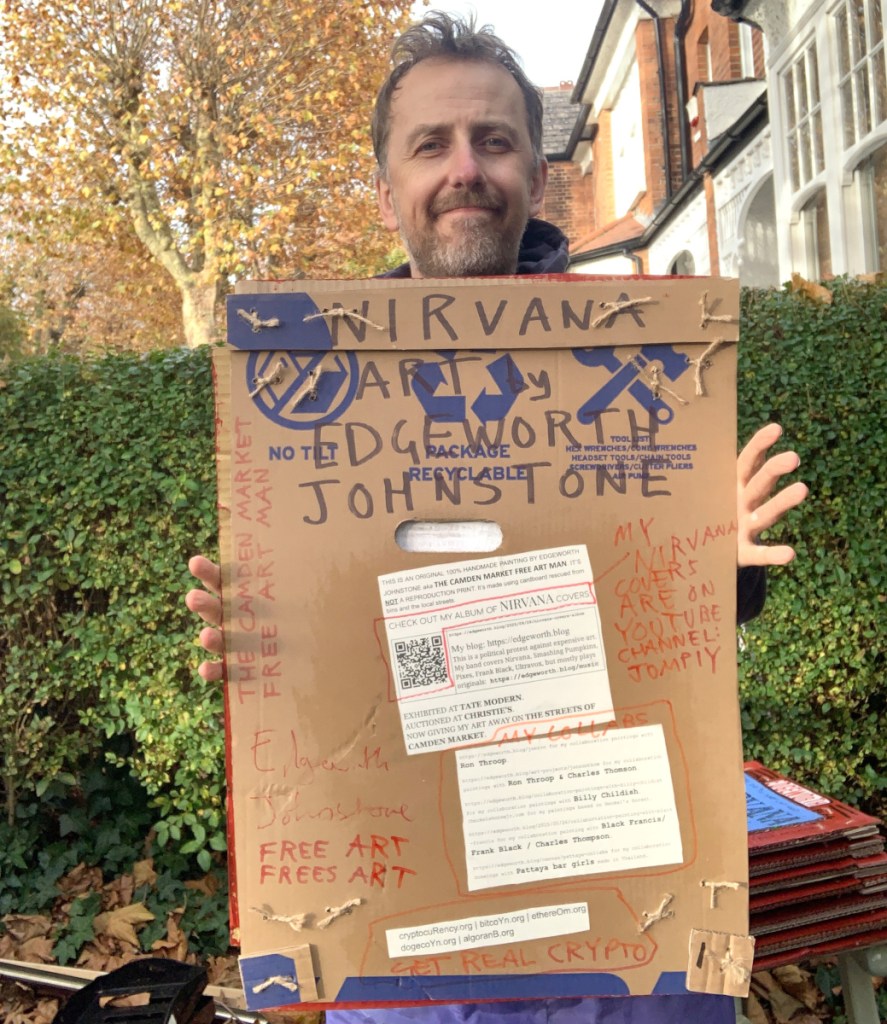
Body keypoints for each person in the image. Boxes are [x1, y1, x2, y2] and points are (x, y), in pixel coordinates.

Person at [186, 12, 808, 1023]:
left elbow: (657, 630)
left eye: (493, 140)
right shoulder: (309, 401)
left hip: (620, 932)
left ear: (537, 175)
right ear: (386, 189)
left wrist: (721, 571)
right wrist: (266, 646)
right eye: (431, 144)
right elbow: (338, 673)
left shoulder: (643, 371)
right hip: (407, 943)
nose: (464, 169)